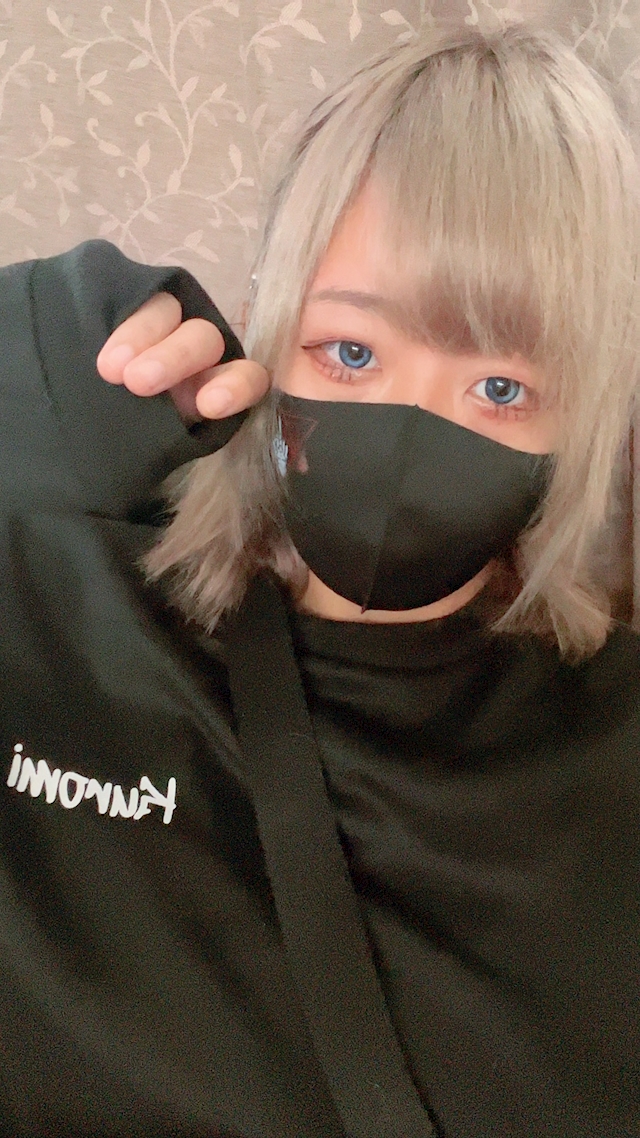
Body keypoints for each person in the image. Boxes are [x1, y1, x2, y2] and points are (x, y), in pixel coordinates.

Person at [1, 19, 639, 1138]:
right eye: (350, 353)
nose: (408, 432)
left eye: (500, 388)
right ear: (271, 320)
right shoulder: (58, 607)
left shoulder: (612, 756)